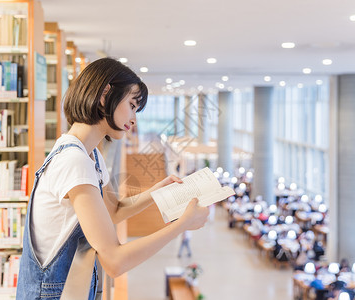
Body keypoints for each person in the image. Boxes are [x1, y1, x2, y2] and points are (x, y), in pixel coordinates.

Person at [16, 58, 210, 299]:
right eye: (131, 105)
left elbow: (113, 211)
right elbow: (115, 262)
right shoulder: (74, 161)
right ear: (105, 95)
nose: (134, 119)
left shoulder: (89, 155)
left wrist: (158, 191)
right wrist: (182, 225)